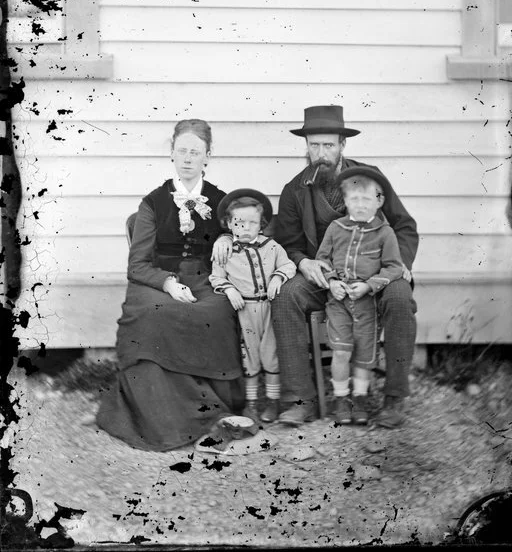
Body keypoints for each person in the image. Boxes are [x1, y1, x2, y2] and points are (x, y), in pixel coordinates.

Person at [96, 119, 244, 451]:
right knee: (153, 316)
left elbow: (238, 233)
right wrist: (168, 284)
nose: (188, 158)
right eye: (182, 151)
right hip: (156, 280)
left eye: (196, 152)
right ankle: (166, 419)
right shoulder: (153, 203)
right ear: (172, 154)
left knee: (219, 311)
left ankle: (216, 409)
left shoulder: (221, 200)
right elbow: (137, 265)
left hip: (205, 279)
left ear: (208, 157)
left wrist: (224, 235)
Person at [272, 105, 419, 428]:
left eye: (329, 145)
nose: (321, 154)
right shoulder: (294, 191)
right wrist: (302, 261)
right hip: (325, 276)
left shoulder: (371, 179)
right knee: (285, 296)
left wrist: (402, 264)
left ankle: (394, 398)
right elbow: (288, 243)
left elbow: (404, 226)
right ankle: (301, 399)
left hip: (377, 270)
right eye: (314, 146)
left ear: (342, 145)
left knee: (398, 297)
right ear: (306, 146)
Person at [316, 168, 404, 426]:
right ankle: (342, 398)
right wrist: (332, 282)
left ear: (379, 201)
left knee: (365, 354)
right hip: (339, 302)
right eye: (355, 199)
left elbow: (394, 267)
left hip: (367, 303)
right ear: (345, 202)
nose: (361, 205)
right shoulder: (336, 228)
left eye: (367, 199)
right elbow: (322, 259)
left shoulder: (384, 233)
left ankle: (361, 397)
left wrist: (369, 285)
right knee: (342, 352)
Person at [209, 189, 296, 424]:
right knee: (249, 357)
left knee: (271, 355)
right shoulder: (225, 251)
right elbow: (216, 277)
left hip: (268, 308)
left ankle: (273, 401)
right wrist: (229, 289)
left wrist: (278, 277)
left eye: (252, 223)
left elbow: (289, 266)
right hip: (243, 310)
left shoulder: (272, 247)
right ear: (229, 224)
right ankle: (251, 403)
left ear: (261, 225)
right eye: (239, 223)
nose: (246, 228)